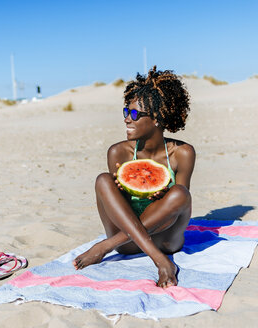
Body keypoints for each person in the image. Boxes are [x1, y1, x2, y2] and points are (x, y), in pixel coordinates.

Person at [73, 66, 195, 288]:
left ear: (156, 118)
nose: (127, 119)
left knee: (180, 193)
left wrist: (105, 245)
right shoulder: (118, 152)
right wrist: (122, 189)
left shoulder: (183, 153)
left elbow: (182, 205)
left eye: (135, 114)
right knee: (103, 180)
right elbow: (119, 208)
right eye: (125, 112)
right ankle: (161, 262)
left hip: (167, 239)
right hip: (128, 243)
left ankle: (108, 246)